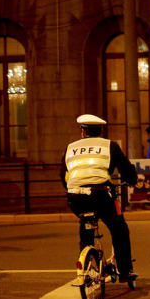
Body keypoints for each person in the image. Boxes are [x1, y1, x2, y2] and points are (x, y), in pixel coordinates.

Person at [60, 114, 138, 283]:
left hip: (75, 198)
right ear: (101, 131)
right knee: (119, 229)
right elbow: (126, 168)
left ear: (83, 131)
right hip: (101, 195)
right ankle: (125, 271)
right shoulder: (109, 146)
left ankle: (87, 264)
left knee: (86, 221)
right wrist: (132, 181)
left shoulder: (70, 148)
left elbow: (63, 176)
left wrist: (73, 189)